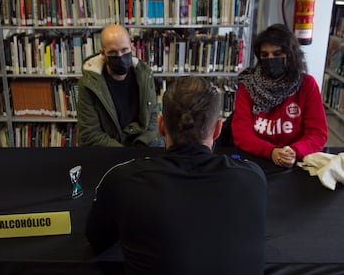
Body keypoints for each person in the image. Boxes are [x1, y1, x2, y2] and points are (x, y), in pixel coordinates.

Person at [86, 76, 267, 275]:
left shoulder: (122, 180)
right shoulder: (253, 178)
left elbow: (97, 239)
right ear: (217, 129)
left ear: (161, 126)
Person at [231, 23, 328, 168]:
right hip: (256, 160)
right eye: (265, 55)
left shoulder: (306, 85)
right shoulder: (248, 84)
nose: (270, 59)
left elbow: (317, 133)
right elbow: (241, 133)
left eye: (277, 54)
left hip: (296, 161)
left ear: (290, 55)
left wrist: (295, 151)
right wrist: (271, 152)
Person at [76, 24, 160, 147]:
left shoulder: (145, 76)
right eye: (113, 52)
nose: (120, 56)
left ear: (132, 47)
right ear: (103, 54)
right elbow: (90, 133)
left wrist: (141, 144)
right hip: (107, 151)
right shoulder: (88, 85)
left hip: (141, 145)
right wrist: (122, 153)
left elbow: (153, 117)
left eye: (124, 50)